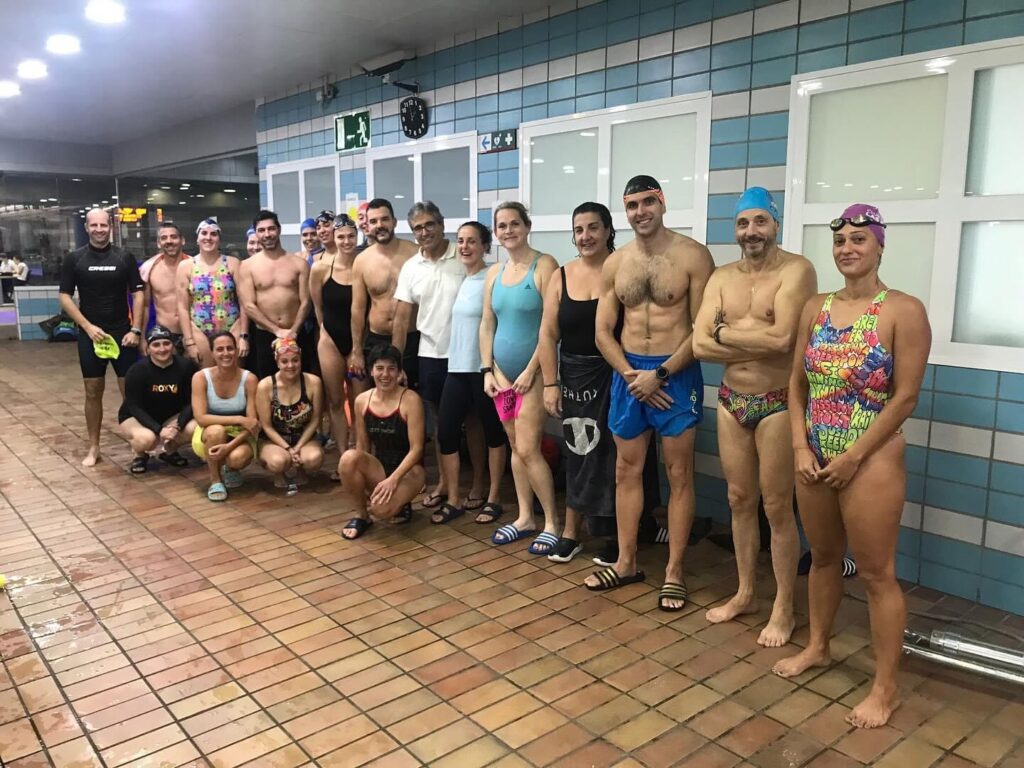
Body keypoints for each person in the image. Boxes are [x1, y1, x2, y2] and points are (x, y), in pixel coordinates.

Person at [773, 204, 930, 730]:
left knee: (877, 574)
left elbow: (905, 397)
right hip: (814, 451)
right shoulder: (815, 307)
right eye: (840, 240)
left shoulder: (902, 310)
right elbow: (796, 384)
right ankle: (818, 645)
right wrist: (799, 445)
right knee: (822, 558)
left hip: (872, 458)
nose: (847, 248)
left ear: (880, 246)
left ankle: (886, 689)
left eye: (859, 239)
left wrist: (854, 455)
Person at [692, 187, 817, 646]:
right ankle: (745, 592)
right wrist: (746, 333)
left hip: (777, 401)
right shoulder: (721, 277)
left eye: (760, 222)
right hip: (730, 400)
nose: (752, 232)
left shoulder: (796, 271)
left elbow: (785, 339)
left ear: (776, 225)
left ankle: (784, 605)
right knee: (739, 501)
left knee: (777, 506)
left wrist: (724, 330)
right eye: (744, 223)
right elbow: (699, 344)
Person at [587, 176, 715, 611]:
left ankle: (674, 571)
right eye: (632, 205)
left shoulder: (693, 256)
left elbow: (703, 331)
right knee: (627, 470)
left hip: (674, 372)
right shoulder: (615, 263)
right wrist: (630, 375)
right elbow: (603, 330)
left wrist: (659, 373)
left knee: (678, 475)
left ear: (662, 203)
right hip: (628, 376)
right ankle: (626, 562)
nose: (640, 212)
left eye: (647, 202)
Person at [538, 202, 666, 564]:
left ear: (609, 230)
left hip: (622, 374)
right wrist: (551, 384)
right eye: (579, 230)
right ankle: (571, 531)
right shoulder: (560, 276)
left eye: (593, 228)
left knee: (620, 457)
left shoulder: (626, 269)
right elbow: (547, 334)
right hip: (577, 377)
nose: (586, 236)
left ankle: (620, 534)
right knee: (580, 453)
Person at [479, 202, 561, 555]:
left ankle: (552, 523)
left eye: (515, 223)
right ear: (495, 232)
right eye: (502, 225)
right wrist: (489, 369)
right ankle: (525, 516)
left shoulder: (545, 266)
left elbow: (550, 326)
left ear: (527, 226)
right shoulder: (494, 271)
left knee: (529, 447)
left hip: (535, 374)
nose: (508, 230)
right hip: (502, 378)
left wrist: (532, 370)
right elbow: (487, 323)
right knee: (516, 447)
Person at [392, 201, 468, 512]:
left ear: (442, 223)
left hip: (466, 355)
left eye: (429, 225)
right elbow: (400, 319)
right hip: (429, 354)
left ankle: (476, 487)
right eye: (418, 228)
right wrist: (397, 363)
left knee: (473, 422)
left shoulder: (462, 257)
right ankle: (445, 485)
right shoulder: (411, 267)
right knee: (440, 424)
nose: (424, 232)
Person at [59, 208, 145, 467]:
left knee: (130, 391)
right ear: (86, 227)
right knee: (93, 390)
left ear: (111, 226)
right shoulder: (75, 259)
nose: (99, 229)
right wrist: (87, 327)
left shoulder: (124, 257)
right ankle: (94, 447)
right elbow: (64, 296)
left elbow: (138, 294)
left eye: (103, 225)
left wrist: (136, 330)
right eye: (93, 225)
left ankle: (138, 444)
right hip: (91, 334)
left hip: (122, 332)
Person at [436, 222, 507, 525]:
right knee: (446, 433)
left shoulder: (493, 277)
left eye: (472, 242)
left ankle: (493, 498)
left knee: (493, 434)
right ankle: (453, 499)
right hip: (456, 368)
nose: (465, 247)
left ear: (485, 246)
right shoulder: (462, 279)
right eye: (461, 241)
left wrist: (492, 366)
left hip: (483, 370)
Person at [338, 345, 426, 539]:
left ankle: (401, 502)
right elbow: (363, 447)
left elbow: (417, 449)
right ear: (371, 371)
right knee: (348, 458)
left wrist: (393, 480)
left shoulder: (411, 400)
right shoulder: (362, 400)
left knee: (381, 510)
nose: (385, 374)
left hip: (409, 471)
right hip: (380, 466)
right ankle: (361, 515)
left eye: (391, 368)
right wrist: (364, 481)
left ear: (399, 372)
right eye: (379, 368)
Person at [348, 199, 419, 384]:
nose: (380, 225)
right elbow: (358, 309)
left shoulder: (415, 254)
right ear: (367, 226)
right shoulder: (361, 261)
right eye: (373, 221)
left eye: (384, 219)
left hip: (412, 339)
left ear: (394, 222)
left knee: (412, 400)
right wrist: (356, 349)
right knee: (380, 402)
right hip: (377, 340)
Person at [237, 210, 313, 379]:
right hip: (265, 335)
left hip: (297, 332)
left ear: (279, 230)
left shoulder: (299, 264)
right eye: (261, 230)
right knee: (268, 386)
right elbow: (249, 305)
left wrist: (293, 331)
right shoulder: (247, 266)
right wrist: (277, 331)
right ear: (256, 233)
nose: (267, 234)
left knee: (302, 385)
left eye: (271, 229)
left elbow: (306, 301)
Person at [310, 214, 360, 463]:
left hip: (357, 342)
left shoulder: (363, 265)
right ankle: (342, 456)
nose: (346, 241)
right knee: (336, 401)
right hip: (330, 339)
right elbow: (318, 307)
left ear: (357, 236)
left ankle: (359, 453)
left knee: (359, 401)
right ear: (333, 237)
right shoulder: (320, 268)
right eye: (341, 236)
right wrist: (324, 332)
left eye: (351, 236)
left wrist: (358, 346)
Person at [117, 325, 198, 474]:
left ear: (173, 345)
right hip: (135, 416)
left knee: (195, 428)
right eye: (156, 345)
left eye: (166, 343)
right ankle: (140, 454)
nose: (162, 349)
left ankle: (170, 451)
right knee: (147, 440)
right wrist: (158, 430)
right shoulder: (137, 371)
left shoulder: (186, 366)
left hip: (170, 416)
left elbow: (192, 401)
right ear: (148, 349)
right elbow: (134, 406)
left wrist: (178, 425)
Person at [191, 331, 258, 501]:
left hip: (240, 435)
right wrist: (238, 419)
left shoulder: (249, 379)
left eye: (230, 348)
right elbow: (201, 418)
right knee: (216, 431)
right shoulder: (200, 378)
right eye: (220, 349)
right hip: (209, 434)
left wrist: (229, 447)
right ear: (212, 353)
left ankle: (231, 468)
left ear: (236, 350)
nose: (225, 353)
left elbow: (253, 424)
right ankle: (215, 480)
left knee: (237, 458)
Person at [176, 218, 248, 368]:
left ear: (219, 239)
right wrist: (189, 341)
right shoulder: (186, 266)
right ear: (197, 238)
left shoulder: (233, 263)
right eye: (204, 233)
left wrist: (243, 335)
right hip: (199, 329)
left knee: (234, 374)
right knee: (206, 376)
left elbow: (244, 302)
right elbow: (182, 307)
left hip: (231, 326)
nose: (208, 237)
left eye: (213, 234)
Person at [256, 338, 325, 495]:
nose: (291, 366)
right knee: (278, 462)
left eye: (295, 360)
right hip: (273, 439)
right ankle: (278, 472)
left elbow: (315, 420)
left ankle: (301, 469)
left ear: (301, 360)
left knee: (313, 459)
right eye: (285, 361)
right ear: (277, 362)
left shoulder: (313, 382)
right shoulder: (265, 386)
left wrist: (298, 447)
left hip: (303, 436)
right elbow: (265, 425)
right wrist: (287, 448)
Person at [139, 222, 189, 354]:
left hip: (194, 333)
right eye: (164, 238)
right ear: (158, 243)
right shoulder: (149, 269)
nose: (169, 241)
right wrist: (142, 338)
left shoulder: (195, 267)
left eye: (173, 237)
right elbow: (145, 306)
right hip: (165, 336)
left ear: (182, 240)